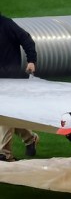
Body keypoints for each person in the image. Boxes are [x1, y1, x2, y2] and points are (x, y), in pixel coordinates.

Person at [0, 13, 39, 161]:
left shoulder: (6, 24)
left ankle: (4, 153)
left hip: (10, 79)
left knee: (4, 114)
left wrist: (31, 61)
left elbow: (26, 39)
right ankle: (30, 138)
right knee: (7, 116)